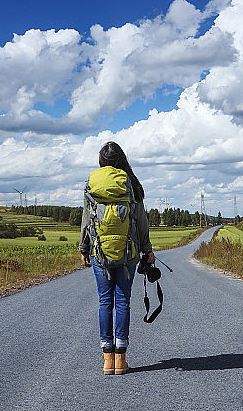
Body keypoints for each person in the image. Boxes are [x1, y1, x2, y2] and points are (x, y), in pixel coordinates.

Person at [80, 141, 154, 375]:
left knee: (105, 301)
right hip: (128, 253)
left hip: (99, 252)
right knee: (122, 302)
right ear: (122, 159)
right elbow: (141, 220)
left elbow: (86, 219)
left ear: (101, 162)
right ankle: (120, 360)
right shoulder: (131, 183)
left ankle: (106, 360)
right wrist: (147, 249)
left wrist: (84, 248)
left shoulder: (91, 183)